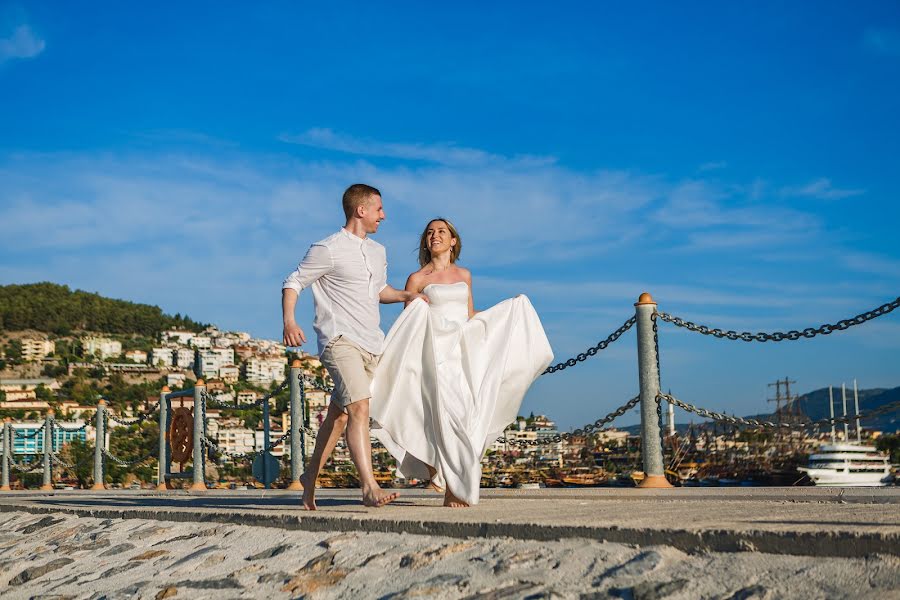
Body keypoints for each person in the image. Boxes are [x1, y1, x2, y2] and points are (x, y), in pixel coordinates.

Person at [370, 218, 553, 507]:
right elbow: (410, 326)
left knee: (465, 416)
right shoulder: (416, 279)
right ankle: (456, 489)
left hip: (460, 353)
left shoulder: (464, 275)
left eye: (441, 231)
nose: (435, 236)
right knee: (448, 415)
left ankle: (450, 479)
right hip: (433, 356)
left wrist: (508, 313)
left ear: (453, 240)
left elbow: (469, 315)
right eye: (430, 232)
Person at [282, 183, 426, 510]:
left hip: (372, 343)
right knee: (360, 408)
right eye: (379, 209)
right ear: (361, 210)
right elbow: (293, 281)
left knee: (340, 417)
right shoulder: (327, 248)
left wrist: (406, 296)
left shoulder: (378, 251)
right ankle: (369, 487)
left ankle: (309, 478)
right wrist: (290, 320)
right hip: (339, 340)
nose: (383, 215)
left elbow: (378, 291)